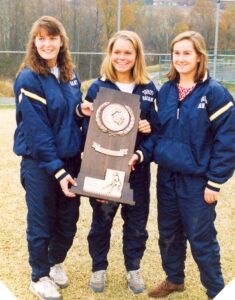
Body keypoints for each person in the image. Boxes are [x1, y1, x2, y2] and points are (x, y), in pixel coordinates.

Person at [129, 31, 235, 299]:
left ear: (200, 56)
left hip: (197, 182)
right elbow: (156, 134)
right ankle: (175, 279)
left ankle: (216, 290)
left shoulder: (215, 94)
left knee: (201, 239)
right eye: (177, 53)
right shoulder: (165, 91)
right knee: (168, 234)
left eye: (187, 53)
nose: (181, 58)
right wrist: (140, 154)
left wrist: (215, 181)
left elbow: (228, 141)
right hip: (166, 177)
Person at [13, 16, 86, 300]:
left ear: (61, 41)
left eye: (52, 37)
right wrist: (57, 171)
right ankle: (39, 275)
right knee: (42, 220)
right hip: (41, 163)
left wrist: (82, 111)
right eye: (41, 38)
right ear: (34, 42)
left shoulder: (69, 73)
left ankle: (55, 262)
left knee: (68, 221)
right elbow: (38, 132)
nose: (47, 43)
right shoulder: (29, 77)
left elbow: (69, 115)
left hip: (70, 159)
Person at [82, 30, 158, 294]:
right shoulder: (97, 87)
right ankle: (98, 268)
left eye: (128, 52)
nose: (122, 57)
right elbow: (85, 130)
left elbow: (156, 133)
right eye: (117, 52)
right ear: (109, 54)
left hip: (136, 170)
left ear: (137, 55)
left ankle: (133, 268)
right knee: (101, 222)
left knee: (137, 224)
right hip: (105, 168)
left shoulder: (148, 89)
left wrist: (142, 149)